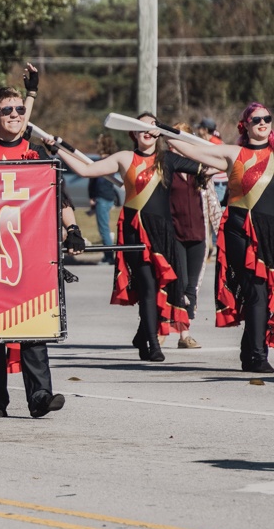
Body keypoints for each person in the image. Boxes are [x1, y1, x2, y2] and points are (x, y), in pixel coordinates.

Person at [50, 113, 201, 363]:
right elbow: (86, 169)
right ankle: (153, 343)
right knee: (147, 286)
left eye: (153, 127)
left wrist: (175, 137)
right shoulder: (124, 158)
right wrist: (58, 149)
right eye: (140, 126)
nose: (147, 131)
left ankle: (143, 335)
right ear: (133, 132)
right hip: (135, 230)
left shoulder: (169, 159)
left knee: (165, 286)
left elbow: (208, 164)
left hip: (164, 232)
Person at [0, 80, 73, 419]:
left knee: (34, 327)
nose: (14, 115)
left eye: (20, 110)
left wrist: (74, 229)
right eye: (7, 110)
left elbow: (59, 195)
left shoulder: (36, 154)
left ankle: (40, 397)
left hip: (30, 253)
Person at [166, 103, 274, 373]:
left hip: (270, 231)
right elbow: (194, 151)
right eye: (256, 119)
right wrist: (167, 135)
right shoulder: (233, 153)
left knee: (260, 294)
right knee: (256, 291)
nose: (263, 123)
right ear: (245, 125)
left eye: (267, 119)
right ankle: (258, 356)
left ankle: (249, 352)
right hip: (241, 229)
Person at [168, 123, 207, 350]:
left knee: (191, 288)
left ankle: (184, 332)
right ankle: (175, 331)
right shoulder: (166, 169)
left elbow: (211, 202)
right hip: (175, 234)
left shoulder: (200, 170)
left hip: (198, 235)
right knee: (179, 285)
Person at [89, 134, 120, 265]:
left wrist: (92, 196)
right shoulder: (112, 160)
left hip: (102, 198)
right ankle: (107, 255)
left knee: (104, 229)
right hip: (109, 197)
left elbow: (97, 182)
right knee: (105, 227)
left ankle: (109, 257)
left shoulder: (101, 162)